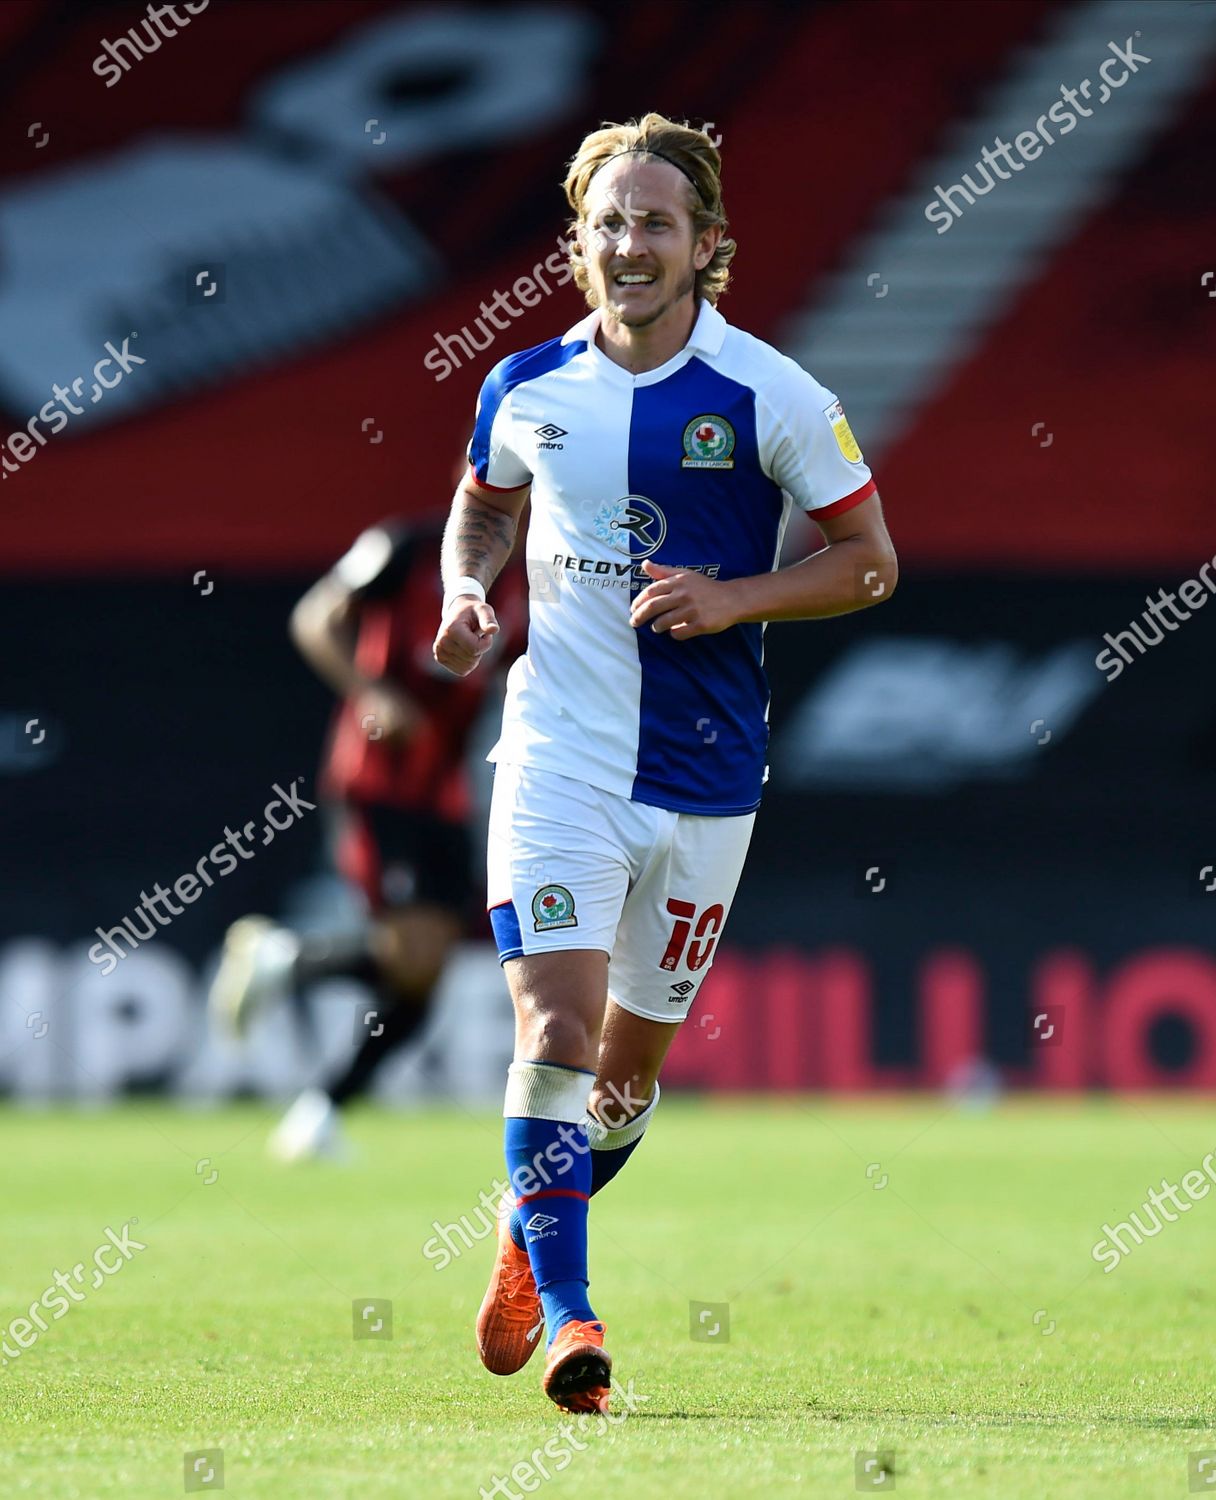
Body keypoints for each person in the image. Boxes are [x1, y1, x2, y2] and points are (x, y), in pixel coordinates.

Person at [432, 113, 898, 1413]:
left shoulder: (774, 397)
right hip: (556, 762)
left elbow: (867, 565)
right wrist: (469, 594)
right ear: (575, 247)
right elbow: (483, 500)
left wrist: (732, 599)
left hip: (704, 781)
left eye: (653, 223)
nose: (627, 246)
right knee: (557, 1030)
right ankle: (576, 1316)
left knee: (624, 1084)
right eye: (606, 225)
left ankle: (532, 1235)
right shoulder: (523, 386)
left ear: (706, 245)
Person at [210, 517, 518, 1160]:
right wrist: (372, 693)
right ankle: (291, 981)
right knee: (416, 956)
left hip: (447, 791)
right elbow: (315, 618)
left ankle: (318, 1103)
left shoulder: (537, 579)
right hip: (379, 781)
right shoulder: (405, 549)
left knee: (421, 980)